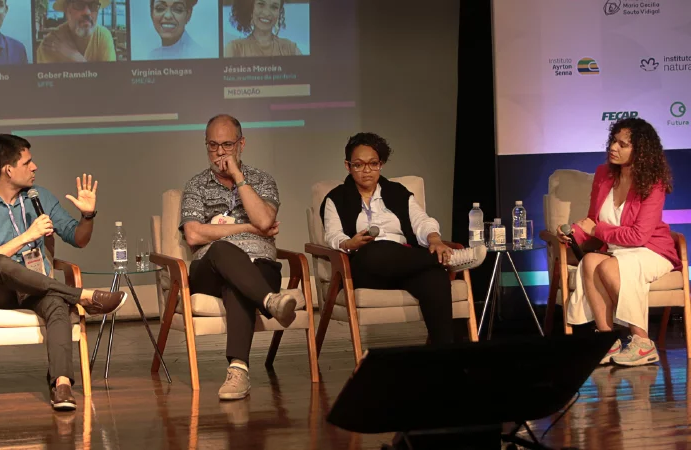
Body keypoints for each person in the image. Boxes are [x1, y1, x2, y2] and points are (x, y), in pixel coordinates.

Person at [0, 134, 127, 411]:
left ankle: (62, 386)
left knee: (57, 303)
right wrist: (27, 236)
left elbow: (78, 238)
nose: (35, 167)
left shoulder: (40, 197)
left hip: (36, 289)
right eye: (28, 162)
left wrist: (88, 215)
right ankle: (82, 295)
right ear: (8, 169)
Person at [319, 133, 486, 346]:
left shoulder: (397, 192)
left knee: (435, 278)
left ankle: (445, 361)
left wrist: (434, 239)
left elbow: (422, 222)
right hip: (365, 266)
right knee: (377, 249)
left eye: (373, 164)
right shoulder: (336, 198)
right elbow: (333, 234)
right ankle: (447, 260)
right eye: (359, 165)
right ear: (348, 166)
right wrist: (348, 243)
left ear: (381, 164)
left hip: (406, 264)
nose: (367, 170)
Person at [179, 114, 298, 401]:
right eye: (213, 145)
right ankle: (271, 301)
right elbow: (194, 235)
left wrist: (239, 178)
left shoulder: (262, 180)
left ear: (242, 144)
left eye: (227, 145)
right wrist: (248, 227)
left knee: (237, 284)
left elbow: (265, 217)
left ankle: (238, 371)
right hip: (210, 267)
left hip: (260, 265)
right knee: (222, 249)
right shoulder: (196, 185)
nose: (220, 152)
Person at [560, 118, 679, 366]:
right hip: (618, 250)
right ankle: (607, 340)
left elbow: (638, 236)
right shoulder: (604, 175)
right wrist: (573, 233)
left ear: (640, 152)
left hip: (651, 250)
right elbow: (593, 222)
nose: (613, 147)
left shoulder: (652, 183)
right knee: (590, 260)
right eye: (614, 140)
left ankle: (642, 342)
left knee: (605, 265)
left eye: (622, 144)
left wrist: (598, 229)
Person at [36, 0, 116, 63]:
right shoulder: (51, 43)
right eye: (79, 4)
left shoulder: (103, 37)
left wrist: (74, 56)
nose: (87, 12)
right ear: (67, 10)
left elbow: (109, 81)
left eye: (94, 5)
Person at [224, 0, 302, 58]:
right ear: (251, 8)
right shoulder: (234, 49)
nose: (267, 13)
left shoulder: (290, 49)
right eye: (261, 4)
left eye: (274, 7)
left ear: (279, 12)